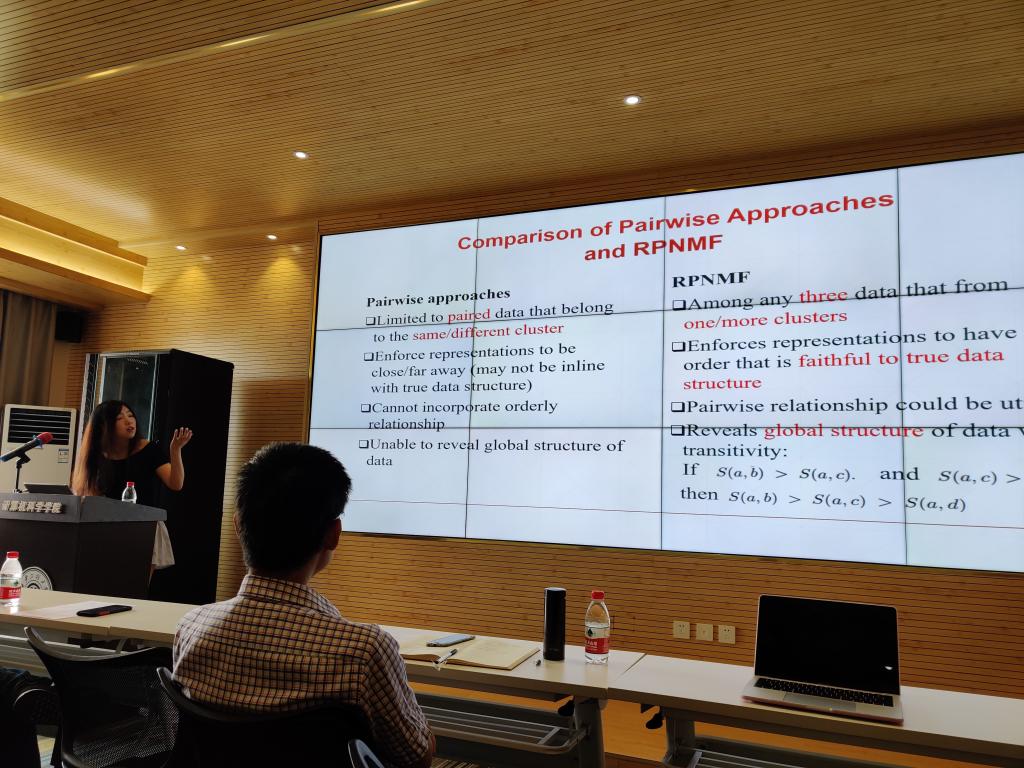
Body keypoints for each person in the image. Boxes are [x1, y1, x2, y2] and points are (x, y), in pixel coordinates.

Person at [173, 443, 434, 768]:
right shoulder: (364, 652)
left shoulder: (191, 627)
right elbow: (416, 756)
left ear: (238, 525)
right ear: (333, 534)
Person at [71, 400, 192, 569]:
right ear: (105, 426)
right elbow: (87, 496)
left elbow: (176, 483)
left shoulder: (148, 449)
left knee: (137, 583)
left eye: (130, 415)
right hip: (107, 529)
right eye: (120, 418)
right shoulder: (96, 456)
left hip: (145, 527)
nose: (129, 421)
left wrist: (175, 450)